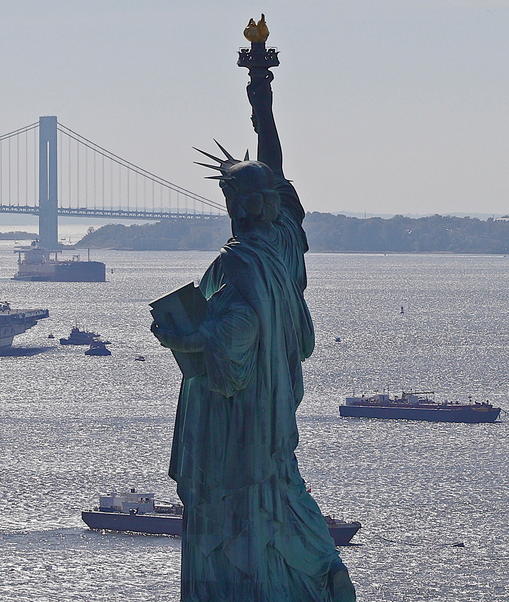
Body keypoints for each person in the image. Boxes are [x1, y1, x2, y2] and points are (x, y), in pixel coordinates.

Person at [151, 51, 356, 601]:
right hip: (273, 411)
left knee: (242, 508)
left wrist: (186, 337)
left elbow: (236, 336)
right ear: (272, 203)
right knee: (281, 493)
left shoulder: (241, 262)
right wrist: (262, 101)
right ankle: (318, 574)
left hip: (236, 423)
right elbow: (275, 165)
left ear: (234, 205)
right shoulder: (283, 245)